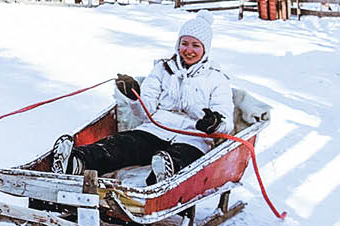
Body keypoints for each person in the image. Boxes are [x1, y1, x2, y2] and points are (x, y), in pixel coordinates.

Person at [51, 10, 234, 185]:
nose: (188, 50)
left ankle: (162, 175)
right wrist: (134, 97)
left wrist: (214, 123)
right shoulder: (163, 69)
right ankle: (77, 161)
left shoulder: (216, 79)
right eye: (184, 43)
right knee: (122, 144)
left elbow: (227, 123)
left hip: (193, 137)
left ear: (205, 49)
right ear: (178, 44)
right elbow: (145, 112)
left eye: (196, 45)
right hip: (156, 129)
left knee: (182, 158)